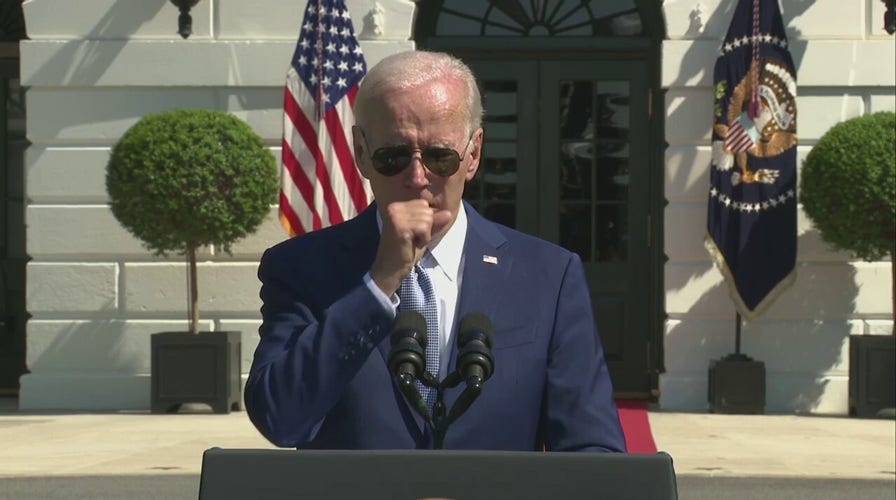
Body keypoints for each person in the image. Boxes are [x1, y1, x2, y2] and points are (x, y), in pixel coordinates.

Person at [245, 50, 626, 452]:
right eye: (392, 157)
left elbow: (593, 449)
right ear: (361, 153)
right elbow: (280, 418)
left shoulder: (548, 276)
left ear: (473, 154)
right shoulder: (301, 267)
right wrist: (379, 282)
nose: (417, 177)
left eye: (440, 157)